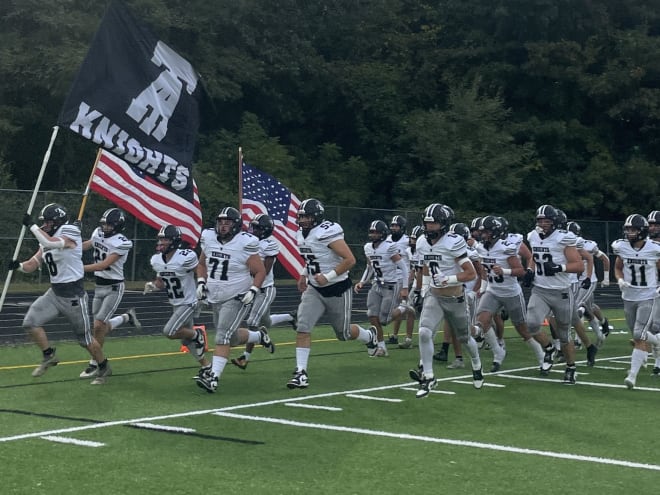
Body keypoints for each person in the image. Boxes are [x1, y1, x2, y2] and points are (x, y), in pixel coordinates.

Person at [9, 203, 111, 384]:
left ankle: (103, 366)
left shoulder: (70, 231)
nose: (45, 226)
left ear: (57, 221)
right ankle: (49, 355)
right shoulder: (47, 237)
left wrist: (31, 225)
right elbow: (32, 264)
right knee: (30, 322)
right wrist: (18, 266)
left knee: (84, 339)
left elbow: (50, 242)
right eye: (43, 223)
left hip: (73, 295)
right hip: (55, 292)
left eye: (47, 222)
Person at [286, 198, 377, 389]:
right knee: (303, 326)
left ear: (316, 218)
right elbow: (312, 258)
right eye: (301, 216)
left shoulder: (327, 232)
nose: (302, 220)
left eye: (307, 217)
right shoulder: (300, 235)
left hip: (337, 288)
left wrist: (328, 276)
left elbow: (350, 259)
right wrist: (304, 274)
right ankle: (301, 372)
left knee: (343, 334)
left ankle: (369, 336)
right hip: (314, 288)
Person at [193, 208, 272, 393]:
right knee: (232, 337)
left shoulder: (245, 242)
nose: (223, 226)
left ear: (236, 225)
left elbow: (260, 271)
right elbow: (202, 263)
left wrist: (253, 289)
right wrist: (201, 282)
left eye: (227, 222)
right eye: (221, 222)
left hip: (237, 295)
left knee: (222, 336)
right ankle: (259, 336)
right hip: (216, 295)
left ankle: (213, 378)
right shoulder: (209, 237)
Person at [410, 203, 484, 398]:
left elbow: (470, 273)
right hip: (435, 295)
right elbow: (426, 266)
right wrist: (423, 289)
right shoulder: (422, 242)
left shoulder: (454, 241)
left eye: (433, 223)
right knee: (425, 332)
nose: (429, 227)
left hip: (455, 297)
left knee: (464, 338)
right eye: (427, 223)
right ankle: (428, 376)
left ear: (443, 224)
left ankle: (476, 364)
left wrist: (448, 279)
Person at [475, 215, 553, 373]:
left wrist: (503, 270)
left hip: (511, 292)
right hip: (493, 290)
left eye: (486, 232)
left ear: (495, 232)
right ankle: (498, 351)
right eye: (482, 232)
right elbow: (483, 270)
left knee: (524, 329)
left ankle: (542, 355)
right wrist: (482, 286)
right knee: (482, 321)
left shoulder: (506, 247)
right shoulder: (481, 247)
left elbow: (520, 271)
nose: (482, 235)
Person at [79, 208, 142, 379]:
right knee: (98, 327)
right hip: (99, 285)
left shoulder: (122, 242)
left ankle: (95, 363)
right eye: (104, 224)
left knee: (98, 325)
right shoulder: (98, 232)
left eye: (109, 224)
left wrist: (78, 268)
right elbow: (88, 244)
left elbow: (103, 264)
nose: (105, 227)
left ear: (118, 226)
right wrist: (73, 246)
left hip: (114, 287)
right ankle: (126, 317)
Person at [144, 225, 210, 385]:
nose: (161, 242)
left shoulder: (185, 256)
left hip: (189, 302)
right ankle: (207, 367)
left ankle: (197, 334)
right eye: (160, 239)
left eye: (165, 239)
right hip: (176, 303)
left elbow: (201, 270)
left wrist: (203, 287)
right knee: (186, 342)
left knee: (169, 331)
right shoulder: (158, 259)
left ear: (174, 241)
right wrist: (153, 285)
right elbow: (162, 282)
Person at [526, 205, 583, 384]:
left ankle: (571, 367)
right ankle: (549, 348)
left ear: (555, 222)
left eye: (546, 220)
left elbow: (578, 265)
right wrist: (530, 269)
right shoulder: (533, 236)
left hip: (561, 291)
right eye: (540, 220)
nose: (542, 223)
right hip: (540, 289)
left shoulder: (563, 238)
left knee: (564, 334)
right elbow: (534, 256)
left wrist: (561, 267)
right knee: (532, 324)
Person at [612, 214, 660, 389]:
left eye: (634, 230)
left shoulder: (654, 248)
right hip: (628, 296)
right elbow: (618, 267)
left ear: (642, 231)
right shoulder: (621, 247)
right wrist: (619, 279)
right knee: (637, 334)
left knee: (639, 334)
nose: (630, 233)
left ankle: (632, 376)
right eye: (628, 229)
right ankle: (657, 342)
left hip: (648, 295)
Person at [231, 213, 280, 370]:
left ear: (265, 231)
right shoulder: (246, 241)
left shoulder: (268, 245)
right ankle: (291, 317)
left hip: (265, 289)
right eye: (252, 226)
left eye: (257, 228)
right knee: (266, 322)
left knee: (253, 322)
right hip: (250, 289)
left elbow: (263, 271)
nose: (253, 230)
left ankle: (245, 357)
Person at [354, 220, 409, 356]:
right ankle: (382, 347)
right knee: (372, 315)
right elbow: (369, 267)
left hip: (390, 286)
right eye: (371, 232)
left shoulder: (389, 247)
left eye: (376, 232)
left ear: (383, 234)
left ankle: (403, 308)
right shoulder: (368, 247)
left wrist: (405, 288)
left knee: (384, 320)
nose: (373, 234)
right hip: (376, 284)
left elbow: (403, 267)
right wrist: (362, 281)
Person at [385, 215, 414, 347]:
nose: (394, 228)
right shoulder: (387, 239)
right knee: (397, 307)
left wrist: (409, 280)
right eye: (392, 225)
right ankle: (395, 335)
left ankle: (408, 338)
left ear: (402, 228)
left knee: (408, 308)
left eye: (396, 226)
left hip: (404, 277)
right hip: (391, 277)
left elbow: (413, 258)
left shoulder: (407, 241)